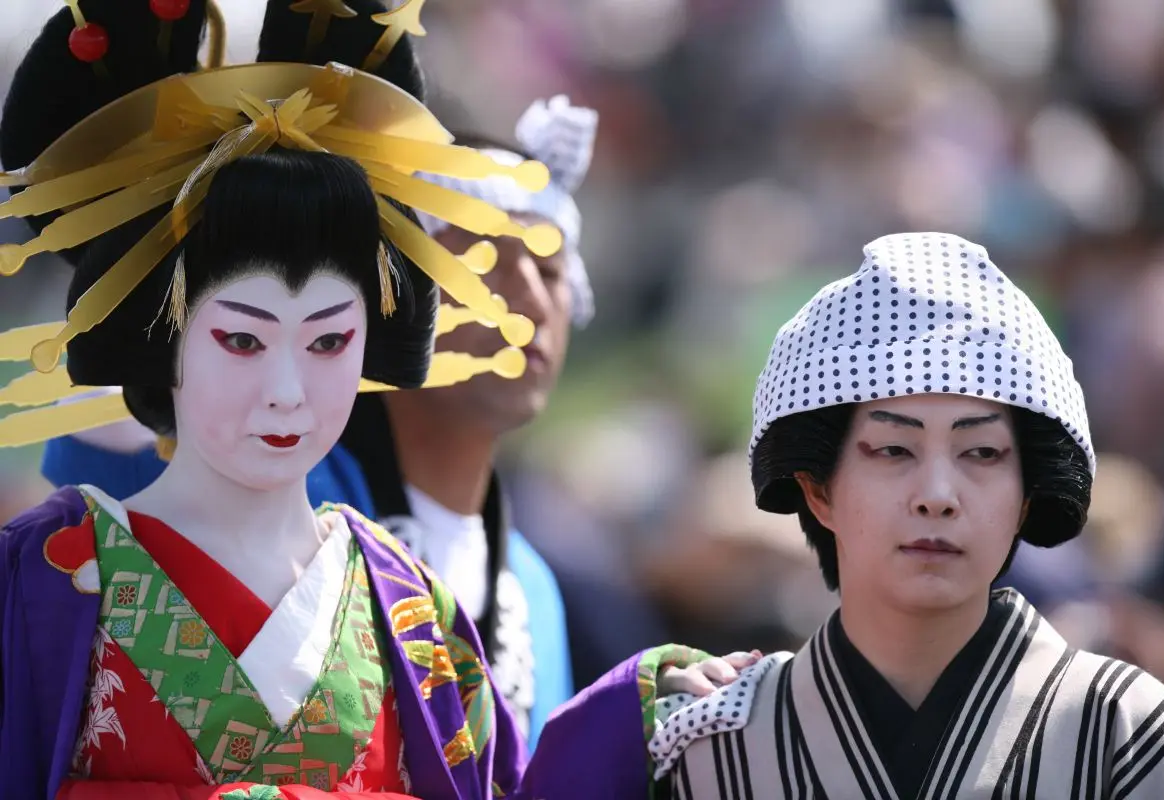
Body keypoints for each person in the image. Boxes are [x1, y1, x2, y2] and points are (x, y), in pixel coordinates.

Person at [0, 1, 745, 796]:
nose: (288, 392)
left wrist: (629, 711)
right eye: (241, 340)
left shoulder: (411, 604)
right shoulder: (44, 576)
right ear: (159, 336)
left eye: (328, 341)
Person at [39, 87, 606, 751]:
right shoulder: (243, 477)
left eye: (550, 266)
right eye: (482, 255)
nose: (530, 297)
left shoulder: (531, 587)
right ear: (389, 292)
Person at [648, 232, 1164, 798]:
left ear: (1026, 496)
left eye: (982, 454)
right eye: (893, 450)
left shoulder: (1130, 736)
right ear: (817, 490)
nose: (937, 494)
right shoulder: (708, 745)